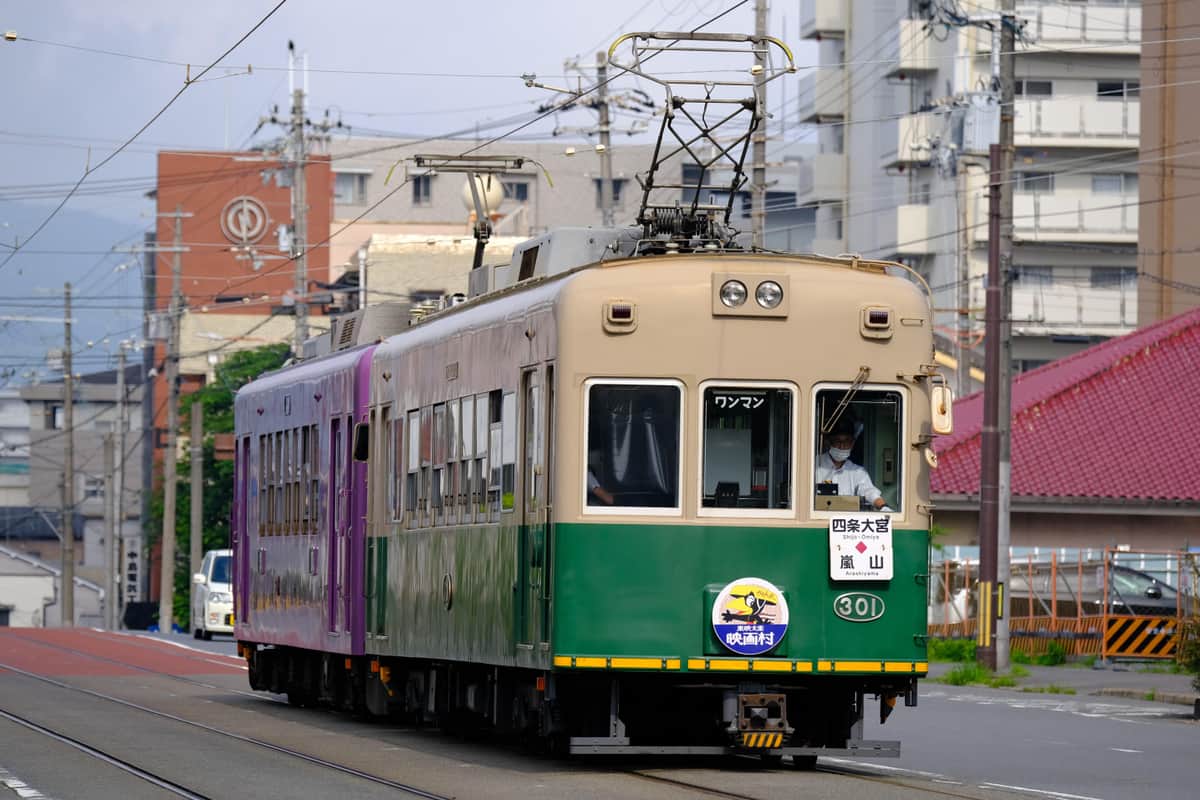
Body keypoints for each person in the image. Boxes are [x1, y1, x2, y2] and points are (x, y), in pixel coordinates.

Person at [815, 417, 892, 512]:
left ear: (852, 443)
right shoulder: (814, 465)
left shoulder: (857, 471)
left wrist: (883, 507)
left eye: (847, 441)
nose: (842, 446)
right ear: (829, 442)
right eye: (838, 441)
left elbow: (870, 492)